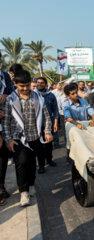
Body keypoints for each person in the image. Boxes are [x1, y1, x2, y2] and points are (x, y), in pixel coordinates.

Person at [3, 70, 53, 206]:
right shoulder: (10, 99)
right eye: (21, 86)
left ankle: (31, 185)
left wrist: (47, 132)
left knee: (32, 163)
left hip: (35, 136)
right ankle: (23, 192)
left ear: (32, 84)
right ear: (15, 84)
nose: (25, 89)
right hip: (17, 138)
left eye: (27, 85)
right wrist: (8, 139)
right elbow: (6, 121)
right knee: (22, 163)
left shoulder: (38, 97)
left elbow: (46, 116)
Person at [0, 51, 15, 205]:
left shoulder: (4, 75)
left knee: (3, 156)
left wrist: (5, 93)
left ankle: (1, 186)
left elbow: (12, 92)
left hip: (5, 121)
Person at [36, 77, 58, 173]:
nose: (39, 85)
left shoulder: (51, 96)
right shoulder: (33, 95)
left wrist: (56, 123)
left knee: (49, 145)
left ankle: (49, 160)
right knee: (39, 146)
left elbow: (55, 110)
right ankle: (41, 165)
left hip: (49, 124)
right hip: (37, 125)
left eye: (42, 83)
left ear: (46, 85)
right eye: (38, 83)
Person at [51, 82, 66, 147]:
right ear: (55, 86)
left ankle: (57, 143)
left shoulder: (62, 93)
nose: (60, 86)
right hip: (56, 110)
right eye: (58, 85)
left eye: (60, 85)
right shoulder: (52, 92)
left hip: (60, 111)